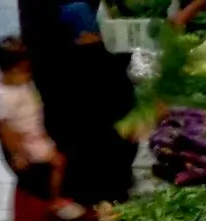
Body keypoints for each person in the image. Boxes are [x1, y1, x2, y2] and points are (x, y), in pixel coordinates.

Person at [40, 2, 139, 206]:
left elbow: (51, 121)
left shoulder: (55, 71)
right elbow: (130, 115)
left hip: (79, 167)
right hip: (114, 163)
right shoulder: (114, 64)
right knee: (114, 209)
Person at [0, 37, 81, 220]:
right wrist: (17, 153)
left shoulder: (20, 84)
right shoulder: (5, 97)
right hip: (29, 140)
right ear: (12, 71)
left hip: (37, 133)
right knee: (58, 162)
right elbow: (5, 129)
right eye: (24, 71)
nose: (28, 75)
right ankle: (55, 200)